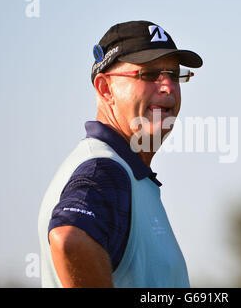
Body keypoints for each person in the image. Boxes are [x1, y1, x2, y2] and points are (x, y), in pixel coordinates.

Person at [37, 20, 203, 288]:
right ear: (105, 89)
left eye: (174, 75)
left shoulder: (123, 172)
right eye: (149, 74)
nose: (168, 87)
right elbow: (69, 239)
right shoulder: (104, 170)